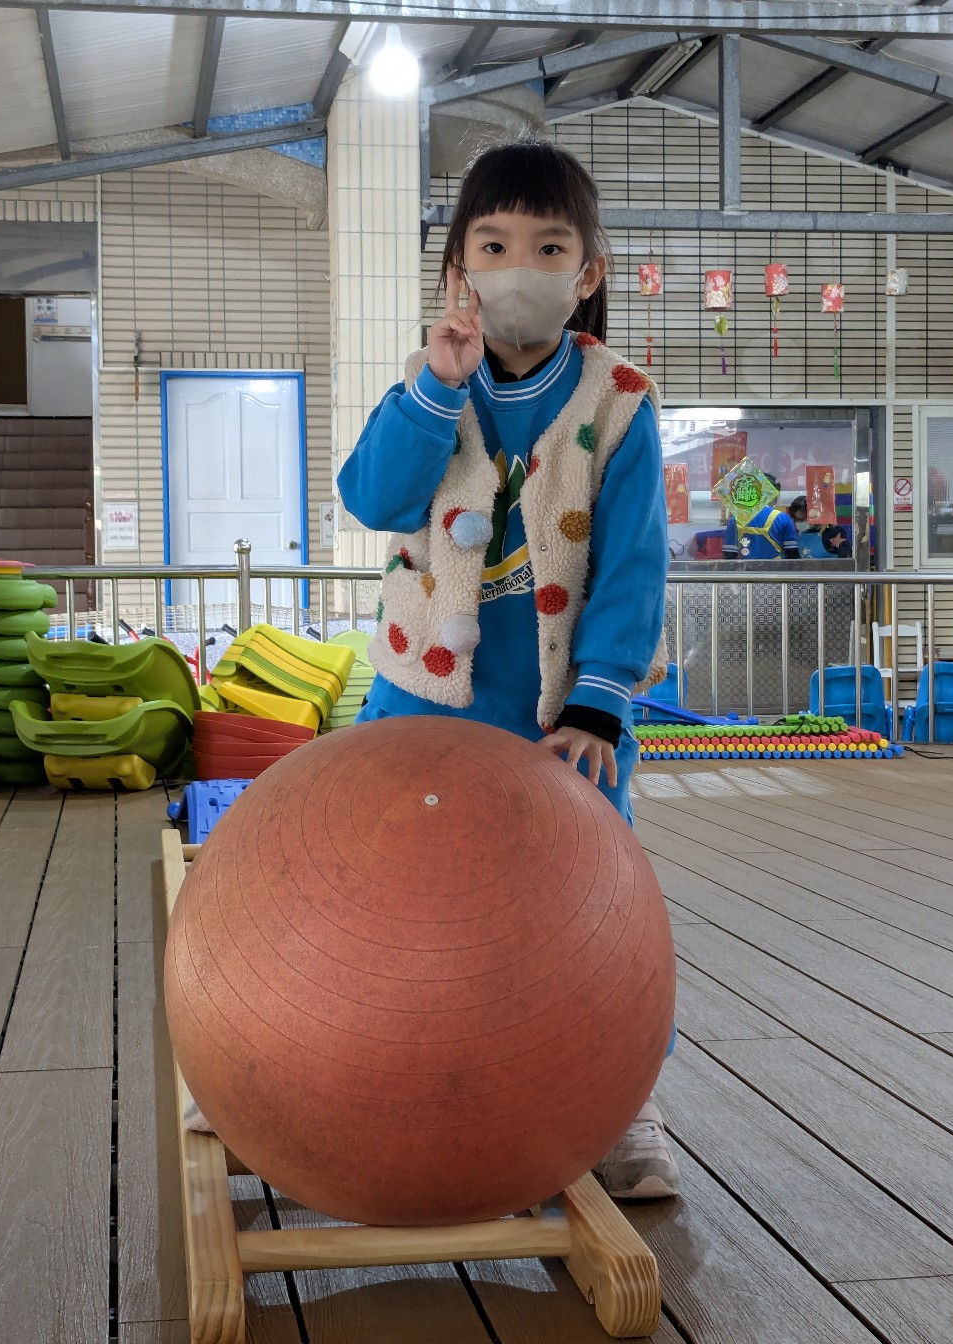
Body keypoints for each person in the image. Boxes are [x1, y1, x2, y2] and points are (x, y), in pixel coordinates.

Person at [336, 139, 678, 1200]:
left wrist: (602, 703)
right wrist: (438, 386)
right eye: (492, 245)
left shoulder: (620, 401)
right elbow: (375, 499)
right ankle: (299, 1056)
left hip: (564, 719)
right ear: (459, 273)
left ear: (588, 273)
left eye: (548, 247)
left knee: (590, 910)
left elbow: (634, 564)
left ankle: (619, 1106)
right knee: (374, 883)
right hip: (420, 699)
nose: (518, 265)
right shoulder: (426, 386)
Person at [722, 473, 800, 559]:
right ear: (772, 493)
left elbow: (729, 556)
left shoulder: (735, 520)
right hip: (776, 567)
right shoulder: (783, 518)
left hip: (745, 567)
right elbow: (792, 556)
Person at [788, 494, 852, 558]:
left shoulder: (834, 533)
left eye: (805, 518)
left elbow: (846, 558)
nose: (805, 522)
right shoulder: (801, 536)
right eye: (798, 520)